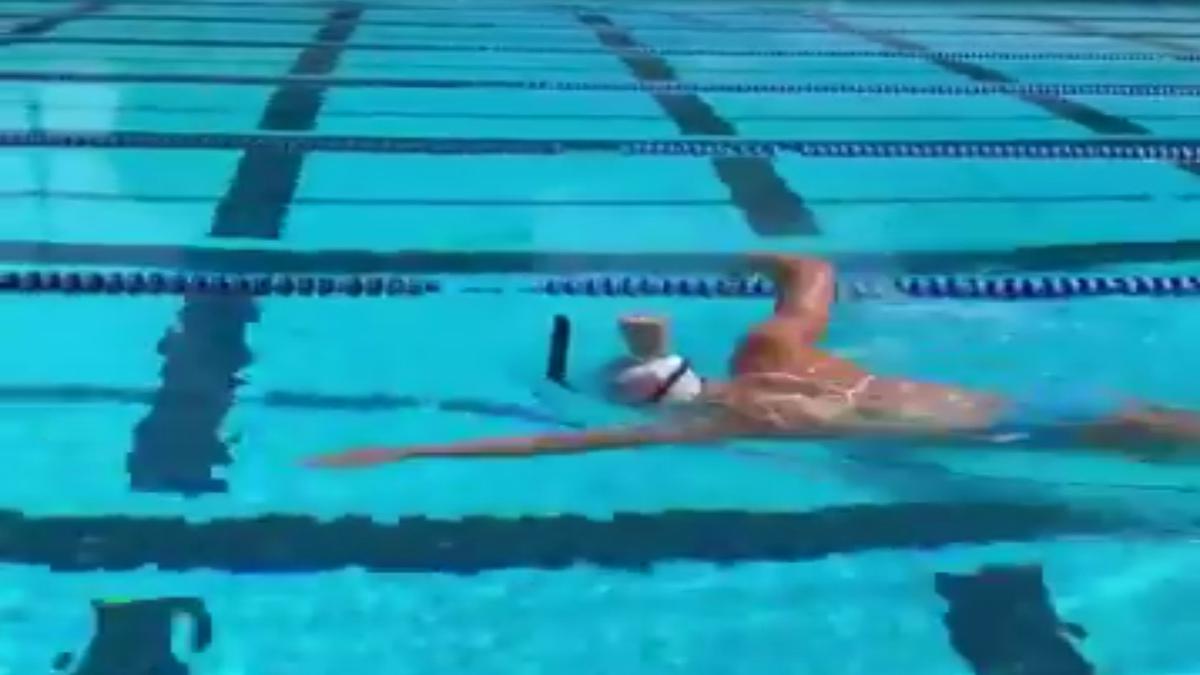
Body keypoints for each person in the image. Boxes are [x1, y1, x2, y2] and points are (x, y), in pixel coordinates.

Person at [308, 254, 1200, 469]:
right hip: (1046, 397)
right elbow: (811, 275)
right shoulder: (773, 355)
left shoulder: (740, 415)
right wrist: (741, 257)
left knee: (1152, 437)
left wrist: (406, 452)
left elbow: (562, 449)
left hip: (1028, 425)